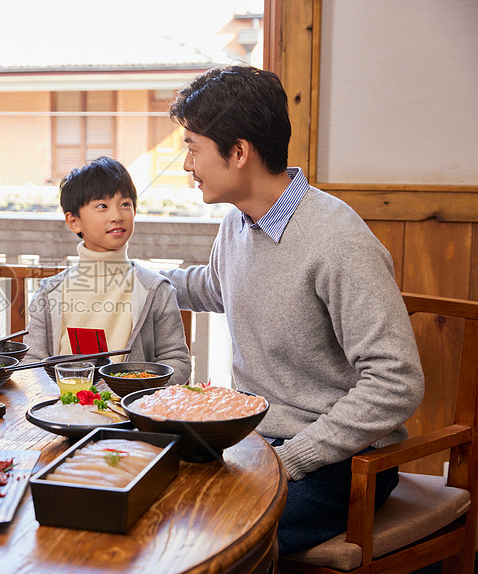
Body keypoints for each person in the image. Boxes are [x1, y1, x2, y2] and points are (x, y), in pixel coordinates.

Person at [161, 65, 424, 555]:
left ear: (238, 152)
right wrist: (134, 280)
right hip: (255, 442)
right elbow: (217, 288)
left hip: (341, 462)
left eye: (193, 146)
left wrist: (293, 459)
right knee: (152, 503)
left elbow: (397, 381)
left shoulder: (336, 239)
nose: (187, 164)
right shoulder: (237, 223)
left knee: (208, 539)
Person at [24, 156, 192, 386]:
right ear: (74, 222)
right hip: (63, 413)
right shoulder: (50, 291)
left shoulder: (155, 289)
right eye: (102, 206)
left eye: (125, 204)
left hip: (132, 415)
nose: (117, 215)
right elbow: (33, 362)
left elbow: (178, 361)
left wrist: (134, 385)